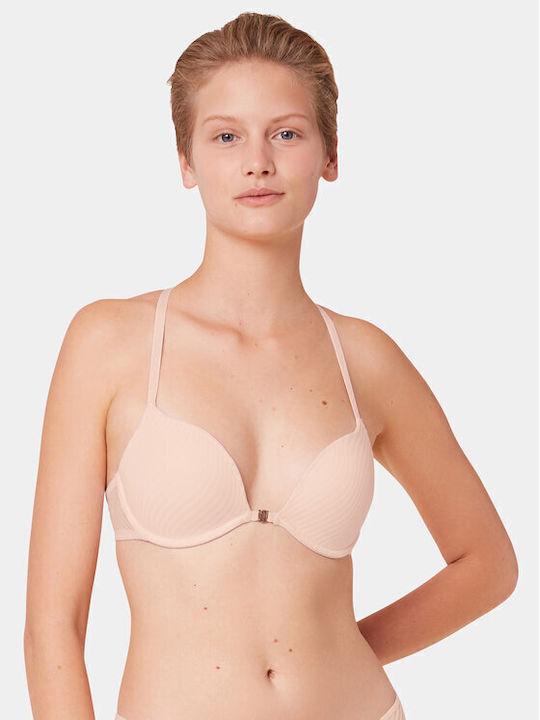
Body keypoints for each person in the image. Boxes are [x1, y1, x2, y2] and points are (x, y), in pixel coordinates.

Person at [23, 11, 518, 720]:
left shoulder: (366, 359)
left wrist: (347, 649)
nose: (257, 161)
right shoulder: (110, 343)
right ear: (186, 162)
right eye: (226, 136)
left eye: (286, 133)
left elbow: (488, 564)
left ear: (330, 155)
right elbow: (53, 628)